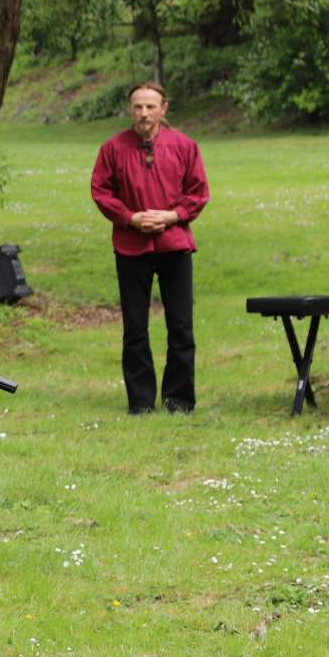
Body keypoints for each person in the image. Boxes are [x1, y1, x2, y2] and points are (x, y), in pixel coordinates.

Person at [90, 80, 210, 415]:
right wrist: (131, 218)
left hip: (174, 245)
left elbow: (198, 192)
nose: (144, 113)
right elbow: (101, 192)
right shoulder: (113, 148)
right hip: (131, 247)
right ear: (131, 109)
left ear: (163, 108)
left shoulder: (184, 145)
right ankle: (141, 402)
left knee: (181, 326)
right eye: (138, 106)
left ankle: (179, 400)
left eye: (150, 106)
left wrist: (174, 215)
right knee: (135, 328)